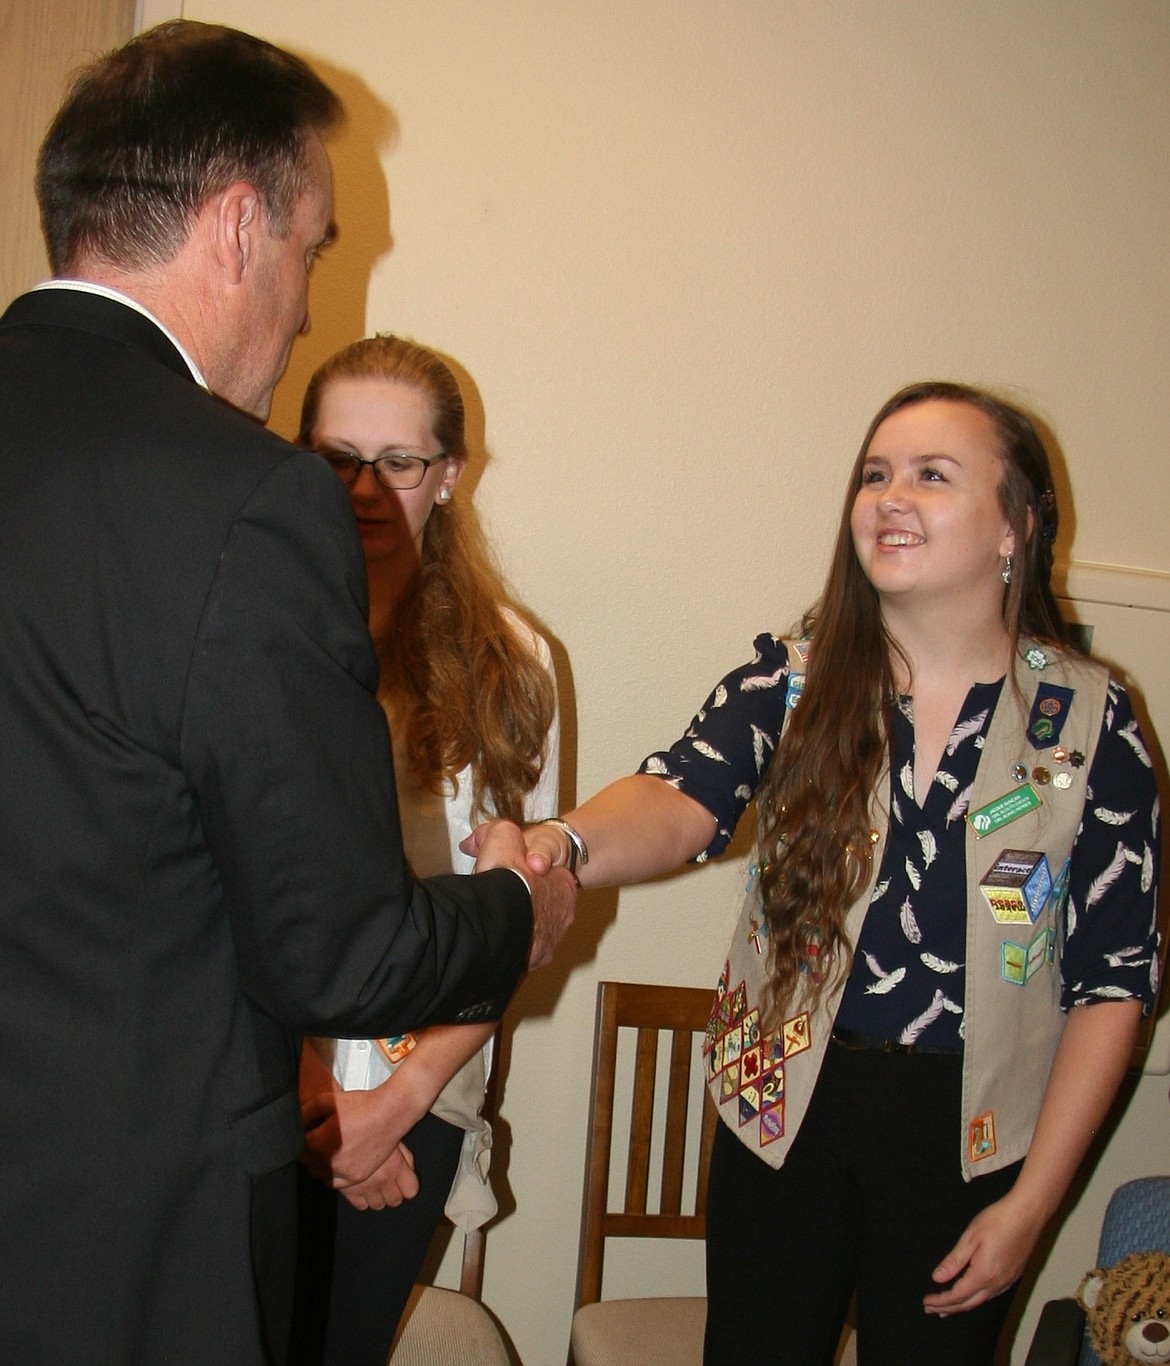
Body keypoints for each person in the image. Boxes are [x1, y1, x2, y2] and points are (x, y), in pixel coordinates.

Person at [0, 23, 574, 1365]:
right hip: (127, 1238)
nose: (313, 300)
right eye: (317, 244)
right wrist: (518, 910)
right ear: (237, 223)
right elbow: (335, 948)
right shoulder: (246, 499)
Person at [479, 382, 1161, 1365]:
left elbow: (1114, 983)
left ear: (1015, 524)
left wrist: (1034, 1205)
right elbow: (680, 800)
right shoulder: (789, 680)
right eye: (875, 474)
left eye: (933, 475)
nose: (890, 496)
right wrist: (564, 842)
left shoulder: (1095, 723)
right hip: (783, 1099)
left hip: (968, 1129)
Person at [288, 335, 560, 1362]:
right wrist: (315, 1104)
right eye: (336, 456)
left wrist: (388, 1110)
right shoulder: (252, 632)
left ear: (448, 476)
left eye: (400, 462)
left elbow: (522, 920)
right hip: (265, 1087)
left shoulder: (514, 662)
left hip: (421, 1094)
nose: (366, 487)